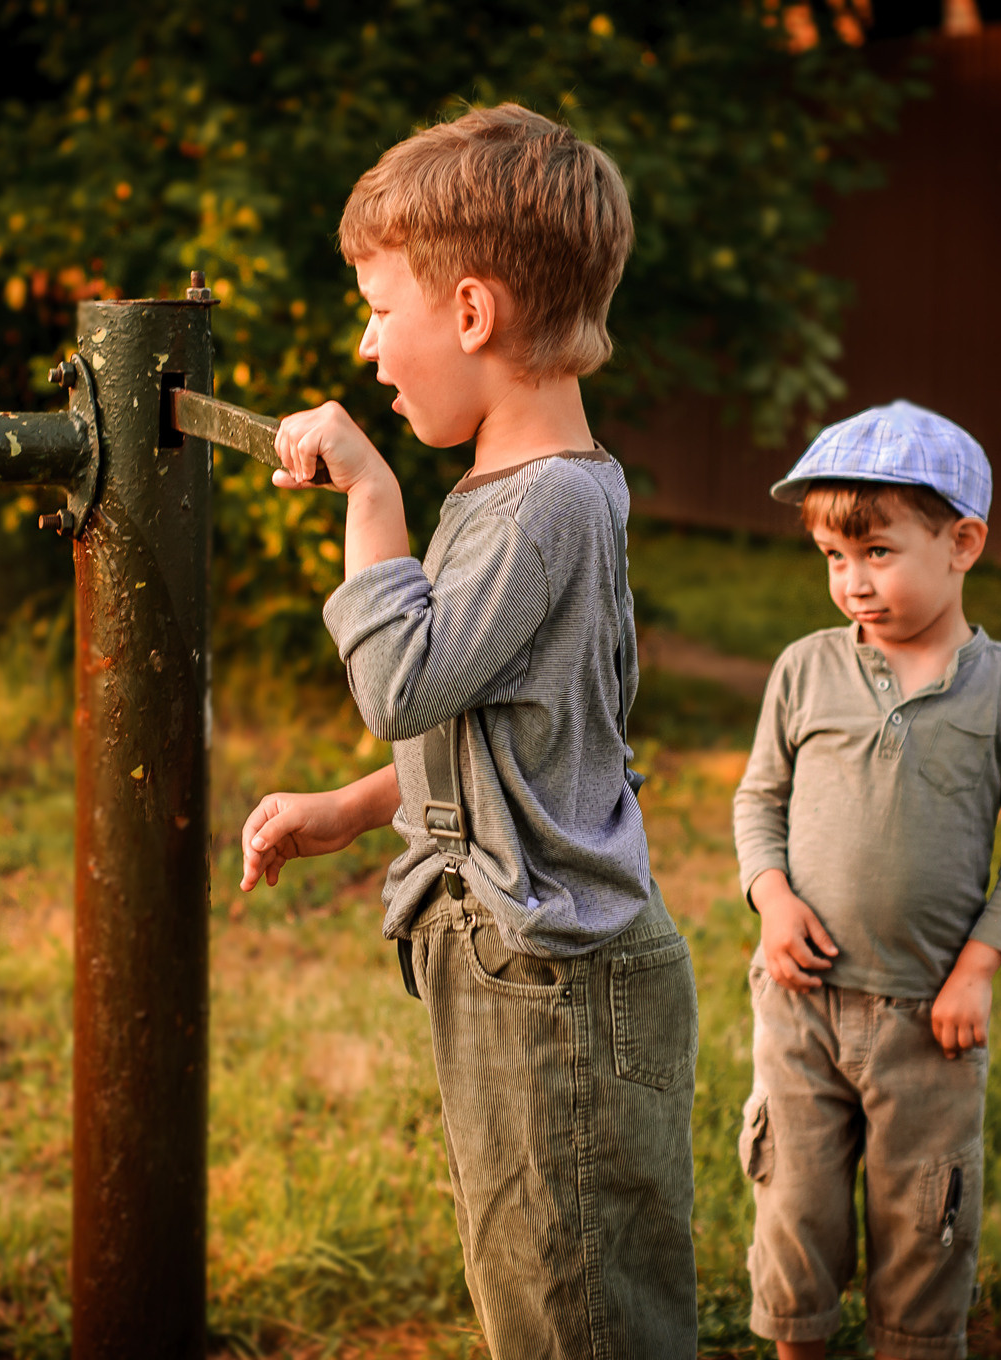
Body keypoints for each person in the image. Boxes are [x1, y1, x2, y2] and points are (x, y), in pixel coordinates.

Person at [236, 103, 699, 1357]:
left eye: (379, 310)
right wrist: (351, 808)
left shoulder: (539, 507)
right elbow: (504, 728)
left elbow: (398, 682)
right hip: (525, 970)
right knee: (536, 1284)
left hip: (550, 982)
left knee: (575, 1307)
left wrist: (370, 491)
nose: (367, 347)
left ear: (473, 313)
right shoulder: (528, 496)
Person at [733, 401, 1001, 1360]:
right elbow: (759, 799)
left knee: (925, 1225)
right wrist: (772, 899)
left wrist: (978, 969)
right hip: (800, 1002)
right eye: (834, 557)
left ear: (963, 544)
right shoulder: (804, 670)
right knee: (794, 1210)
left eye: (877, 552)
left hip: (929, 1020)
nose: (853, 581)